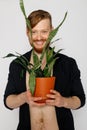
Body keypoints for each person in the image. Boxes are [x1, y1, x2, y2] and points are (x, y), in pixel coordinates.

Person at [4, 9, 86, 130]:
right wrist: (23, 98)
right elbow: (8, 101)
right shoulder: (18, 64)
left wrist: (63, 101)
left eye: (44, 31)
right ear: (27, 32)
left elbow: (80, 99)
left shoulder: (68, 63)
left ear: (51, 32)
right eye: (34, 32)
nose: (39, 37)